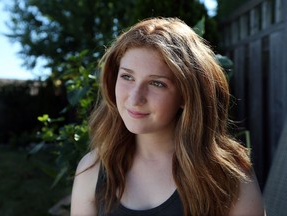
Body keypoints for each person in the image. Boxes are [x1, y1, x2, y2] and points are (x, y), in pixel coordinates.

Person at [70, 17, 266, 216]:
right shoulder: (91, 170)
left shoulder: (228, 174)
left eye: (157, 83)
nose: (135, 98)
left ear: (186, 95)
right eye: (127, 77)